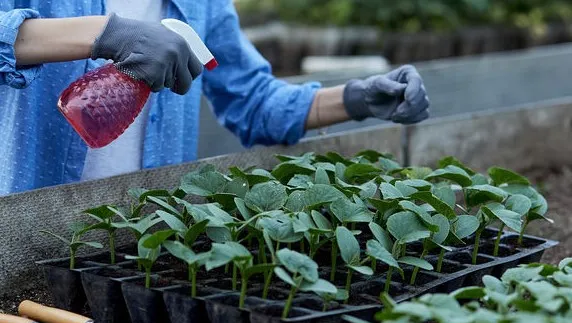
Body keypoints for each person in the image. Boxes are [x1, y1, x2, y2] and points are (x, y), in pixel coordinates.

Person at [0, 1, 430, 195]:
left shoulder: (202, 4)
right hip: (30, 225)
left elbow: (254, 102)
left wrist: (357, 98)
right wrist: (105, 35)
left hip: (140, 237)